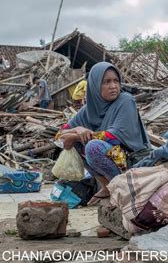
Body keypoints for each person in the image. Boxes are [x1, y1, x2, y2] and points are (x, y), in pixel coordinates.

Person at [59, 62, 151, 205]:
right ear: (95, 85)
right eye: (106, 82)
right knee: (77, 144)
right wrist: (77, 130)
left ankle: (121, 186)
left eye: (116, 81)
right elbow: (60, 135)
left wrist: (77, 136)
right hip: (114, 160)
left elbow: (113, 137)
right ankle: (107, 185)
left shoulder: (125, 100)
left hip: (133, 160)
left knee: (93, 147)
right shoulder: (87, 110)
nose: (113, 86)